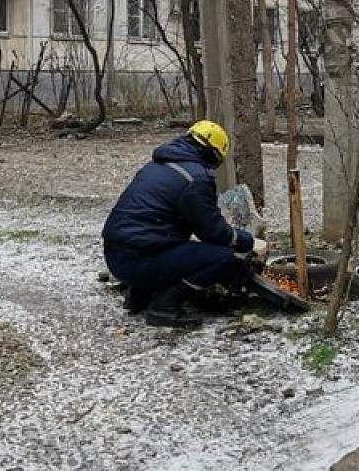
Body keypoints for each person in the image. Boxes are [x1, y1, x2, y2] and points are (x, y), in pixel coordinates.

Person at [102, 120, 269, 328]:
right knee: (221, 258)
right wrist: (249, 242)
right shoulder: (196, 178)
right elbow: (214, 233)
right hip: (137, 261)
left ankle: (140, 294)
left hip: (114, 255)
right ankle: (164, 307)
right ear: (213, 154)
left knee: (164, 239)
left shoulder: (156, 166)